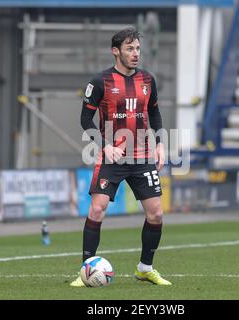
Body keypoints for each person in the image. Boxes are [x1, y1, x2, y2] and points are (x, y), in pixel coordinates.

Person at [70, 27, 171, 287]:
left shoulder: (148, 80)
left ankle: (145, 268)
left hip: (142, 156)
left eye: (137, 48)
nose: (135, 53)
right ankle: (85, 270)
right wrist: (105, 146)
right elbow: (85, 119)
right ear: (116, 51)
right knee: (97, 208)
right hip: (112, 157)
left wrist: (160, 144)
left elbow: (155, 113)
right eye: (129, 48)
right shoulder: (100, 81)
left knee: (156, 214)